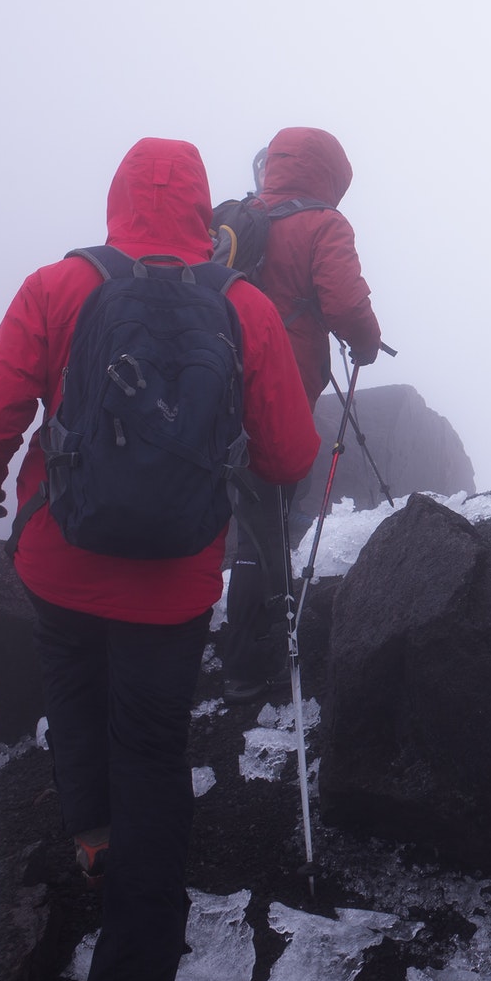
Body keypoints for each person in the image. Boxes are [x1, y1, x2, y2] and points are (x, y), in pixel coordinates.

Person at [0, 138, 319, 981]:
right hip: (176, 581)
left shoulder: (60, 286)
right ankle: (138, 958)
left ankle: (97, 847)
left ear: (117, 199)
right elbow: (291, 448)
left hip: (62, 565)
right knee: (151, 747)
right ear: (200, 211)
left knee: (75, 705)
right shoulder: (243, 305)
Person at [217, 125, 385, 705]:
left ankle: (211, 635)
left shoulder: (238, 217)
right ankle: (249, 659)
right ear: (331, 175)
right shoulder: (323, 223)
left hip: (214, 384)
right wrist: (365, 342)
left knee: (241, 509)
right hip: (279, 387)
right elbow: (343, 302)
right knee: (271, 516)